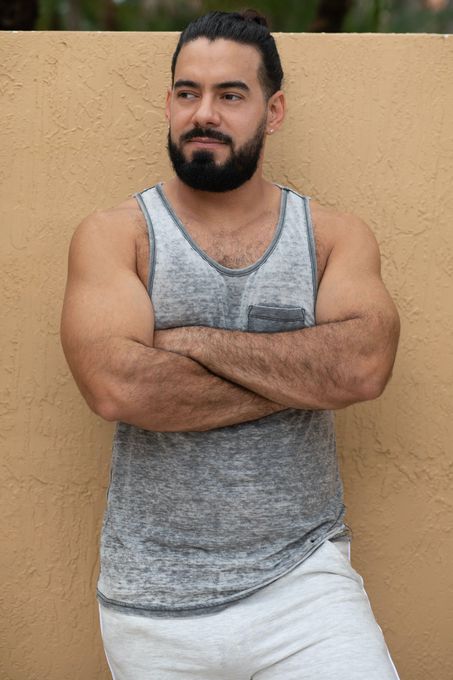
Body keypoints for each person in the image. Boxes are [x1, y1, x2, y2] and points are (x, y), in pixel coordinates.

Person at [60, 9, 401, 680]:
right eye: (188, 92)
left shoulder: (332, 236)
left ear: (273, 112)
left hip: (305, 587)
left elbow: (362, 368)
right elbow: (118, 388)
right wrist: (304, 375)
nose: (204, 114)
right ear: (168, 103)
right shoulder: (116, 235)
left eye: (230, 95)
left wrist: (186, 342)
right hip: (153, 603)